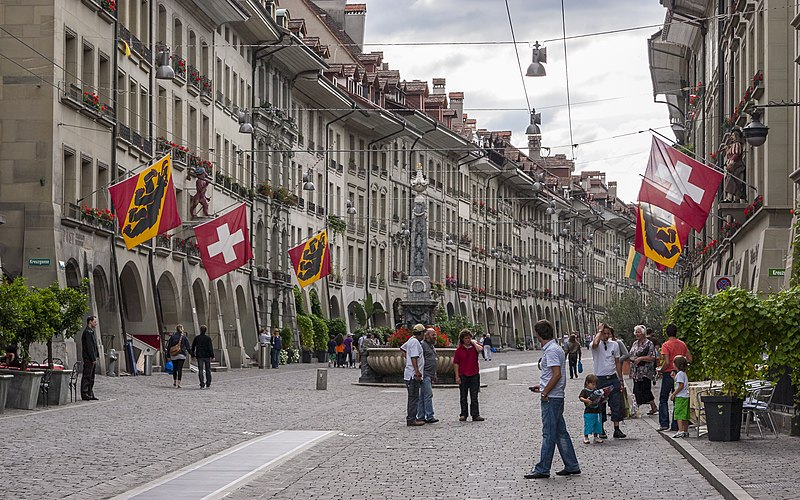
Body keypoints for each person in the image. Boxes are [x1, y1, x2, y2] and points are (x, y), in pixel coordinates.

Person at [525, 319, 580, 479]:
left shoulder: (551, 351)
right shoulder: (554, 349)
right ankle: (572, 464)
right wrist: (541, 387)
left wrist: (545, 392)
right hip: (554, 395)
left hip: (551, 398)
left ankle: (542, 468)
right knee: (560, 432)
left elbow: (557, 374)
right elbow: (552, 375)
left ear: (539, 334)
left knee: (548, 433)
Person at [590, 323, 626, 439]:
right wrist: (599, 332)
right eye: (604, 333)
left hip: (612, 377)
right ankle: (601, 428)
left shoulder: (614, 345)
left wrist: (620, 379)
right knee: (601, 405)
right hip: (600, 379)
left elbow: (617, 362)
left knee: (616, 404)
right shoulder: (595, 345)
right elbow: (595, 344)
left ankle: (616, 428)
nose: (606, 336)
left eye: (608, 334)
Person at [658, 324, 692, 431]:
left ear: (667, 333)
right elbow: (690, 358)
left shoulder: (666, 345)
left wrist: (660, 369)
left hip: (669, 373)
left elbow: (667, 362)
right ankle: (676, 424)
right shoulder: (682, 344)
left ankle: (664, 423)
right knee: (677, 399)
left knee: (663, 398)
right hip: (680, 371)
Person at [453, 329, 484, 422]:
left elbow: (480, 349)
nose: (468, 340)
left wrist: (474, 343)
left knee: (474, 396)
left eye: (469, 338)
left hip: (474, 374)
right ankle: (463, 414)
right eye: (466, 338)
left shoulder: (474, 347)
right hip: (463, 374)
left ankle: (475, 414)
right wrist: (457, 376)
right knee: (463, 396)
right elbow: (456, 363)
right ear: (462, 339)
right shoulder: (459, 350)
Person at [629, 324, 658, 416]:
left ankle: (635, 409)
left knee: (644, 389)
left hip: (645, 372)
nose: (637, 334)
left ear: (643, 333)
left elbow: (652, 357)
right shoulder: (634, 343)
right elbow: (631, 354)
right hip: (636, 371)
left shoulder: (649, 343)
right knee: (640, 389)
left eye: (639, 332)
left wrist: (641, 358)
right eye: (636, 332)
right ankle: (653, 407)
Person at [401, 324, 426, 427]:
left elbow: (402, 349)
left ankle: (412, 418)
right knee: (413, 397)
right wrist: (416, 371)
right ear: (420, 333)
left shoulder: (411, 340)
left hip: (409, 373)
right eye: (423, 333)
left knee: (413, 397)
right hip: (413, 375)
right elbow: (414, 357)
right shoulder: (415, 343)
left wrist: (407, 361)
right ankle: (411, 419)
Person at [416, 327, 439, 424]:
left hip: (430, 374)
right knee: (428, 395)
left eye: (435, 334)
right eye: (433, 335)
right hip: (425, 374)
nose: (435, 336)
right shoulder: (423, 345)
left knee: (423, 396)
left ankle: (421, 416)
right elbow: (419, 359)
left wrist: (435, 374)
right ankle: (429, 416)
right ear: (427, 335)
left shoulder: (431, 346)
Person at [579, 374, 604, 444]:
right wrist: (586, 400)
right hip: (589, 411)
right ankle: (586, 437)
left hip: (597, 410)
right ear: (587, 383)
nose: (594, 386)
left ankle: (596, 436)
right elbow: (581, 397)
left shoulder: (596, 391)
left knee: (597, 424)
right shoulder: (584, 391)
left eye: (595, 385)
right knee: (588, 424)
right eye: (592, 384)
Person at [670, 355, 691, 438]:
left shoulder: (679, 374)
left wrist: (674, 394)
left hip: (680, 396)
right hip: (686, 396)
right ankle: (685, 430)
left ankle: (680, 430)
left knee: (678, 414)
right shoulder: (683, 374)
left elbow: (681, 385)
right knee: (685, 414)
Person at [80, 316, 99, 400]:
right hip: (88, 358)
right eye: (94, 322)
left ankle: (90, 392)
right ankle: (85, 393)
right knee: (87, 376)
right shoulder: (87, 332)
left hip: (91, 357)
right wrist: (93, 358)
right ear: (90, 322)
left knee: (91, 377)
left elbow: (94, 346)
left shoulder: (91, 332)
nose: (96, 323)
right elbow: (89, 347)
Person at [191, 325, 214, 389]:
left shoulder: (197, 338)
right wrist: (212, 355)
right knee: (208, 370)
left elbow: (193, 347)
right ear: (206, 330)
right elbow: (210, 348)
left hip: (199, 356)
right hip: (207, 356)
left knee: (200, 370)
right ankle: (208, 383)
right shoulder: (208, 338)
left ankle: (202, 383)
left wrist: (192, 354)